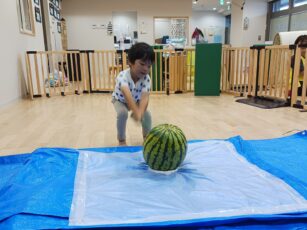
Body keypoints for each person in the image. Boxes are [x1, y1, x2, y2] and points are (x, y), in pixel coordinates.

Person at [112, 42, 154, 146]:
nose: (146, 69)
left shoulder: (146, 79)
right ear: (130, 62)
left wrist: (140, 112)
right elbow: (127, 96)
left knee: (147, 115)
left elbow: (144, 98)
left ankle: (147, 138)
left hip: (137, 100)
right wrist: (136, 112)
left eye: (149, 66)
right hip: (120, 100)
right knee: (122, 113)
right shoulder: (122, 76)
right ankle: (121, 140)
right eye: (142, 64)